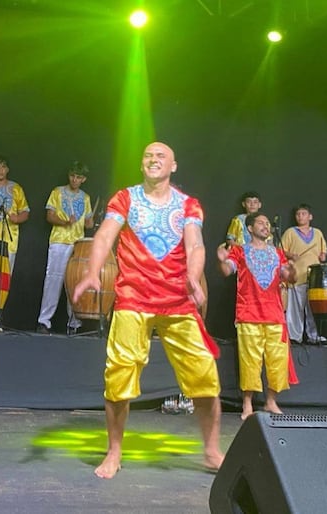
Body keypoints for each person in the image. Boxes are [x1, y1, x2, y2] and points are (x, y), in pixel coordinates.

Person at [72, 142, 224, 478]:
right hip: (133, 298)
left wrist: (193, 277)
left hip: (177, 300)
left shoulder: (188, 205)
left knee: (204, 377)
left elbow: (196, 244)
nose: (153, 160)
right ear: (142, 164)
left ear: (174, 166)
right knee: (119, 376)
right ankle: (114, 451)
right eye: (147, 156)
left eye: (161, 157)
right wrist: (92, 271)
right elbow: (104, 237)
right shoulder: (125, 198)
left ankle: (212, 451)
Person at [217, 212, 298, 420]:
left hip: (274, 314)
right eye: (261, 223)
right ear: (250, 228)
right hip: (249, 313)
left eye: (267, 223)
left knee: (277, 361)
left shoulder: (278, 253)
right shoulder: (240, 251)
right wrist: (222, 260)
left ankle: (271, 401)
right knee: (250, 361)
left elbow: (289, 278)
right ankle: (247, 404)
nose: (265, 225)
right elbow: (227, 270)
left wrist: (292, 270)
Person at [37, 161, 93, 335]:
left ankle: (74, 323)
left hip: (78, 244)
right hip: (59, 241)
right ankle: (44, 321)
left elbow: (88, 222)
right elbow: (49, 216)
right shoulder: (58, 192)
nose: (74, 179)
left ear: (83, 179)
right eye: (72, 176)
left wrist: (90, 222)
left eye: (78, 177)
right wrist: (64, 221)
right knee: (53, 280)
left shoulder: (86, 198)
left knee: (75, 282)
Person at [280, 204, 327, 343]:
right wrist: (290, 255)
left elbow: (323, 249)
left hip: (314, 277)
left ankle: (314, 335)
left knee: (313, 307)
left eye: (303, 214)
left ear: (310, 216)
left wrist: (323, 255)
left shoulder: (318, 233)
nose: (300, 216)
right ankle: (295, 336)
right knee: (295, 308)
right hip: (296, 275)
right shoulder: (290, 232)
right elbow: (281, 250)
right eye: (298, 214)